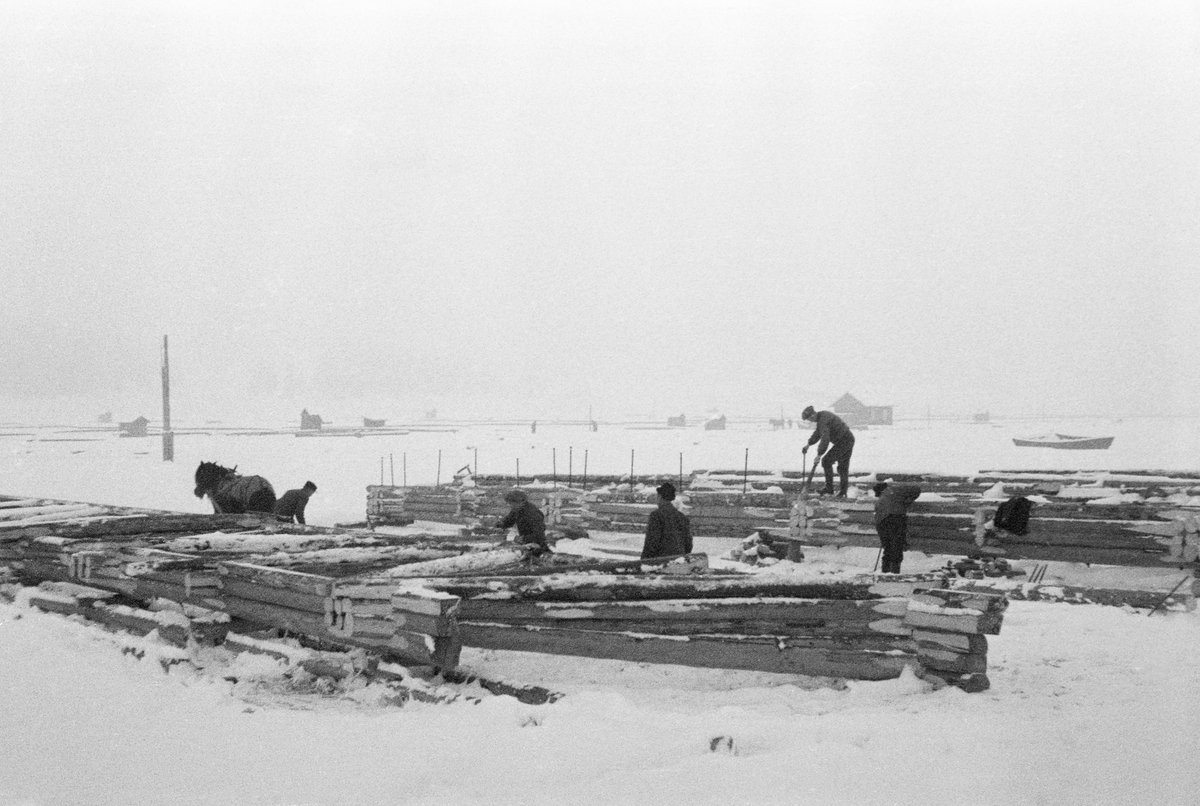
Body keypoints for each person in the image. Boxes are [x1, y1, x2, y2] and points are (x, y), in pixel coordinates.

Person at [801, 405, 856, 497]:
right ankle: (842, 491)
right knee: (842, 467)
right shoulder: (822, 417)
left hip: (844, 440)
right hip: (847, 439)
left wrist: (819, 454)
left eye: (809, 419)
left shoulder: (823, 421)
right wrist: (808, 444)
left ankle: (830, 489)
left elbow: (825, 439)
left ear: (812, 415)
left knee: (827, 461)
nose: (810, 421)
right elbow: (818, 433)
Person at [873, 481, 922, 574]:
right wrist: (910, 499)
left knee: (887, 547)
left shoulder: (881, 500)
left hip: (881, 523)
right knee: (896, 545)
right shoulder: (896, 489)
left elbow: (877, 518)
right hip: (896, 519)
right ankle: (894, 572)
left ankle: (885, 572)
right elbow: (917, 489)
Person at [641, 482, 693, 560]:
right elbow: (688, 543)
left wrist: (644, 561)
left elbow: (652, 542)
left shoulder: (656, 515)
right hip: (678, 561)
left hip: (661, 562)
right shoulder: (682, 517)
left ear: (660, 497)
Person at [497, 489, 549, 555]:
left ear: (521, 502)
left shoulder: (532, 513)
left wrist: (523, 538)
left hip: (537, 547)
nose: (510, 506)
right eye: (509, 503)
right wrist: (501, 523)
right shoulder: (517, 509)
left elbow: (539, 535)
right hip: (525, 545)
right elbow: (509, 520)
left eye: (512, 503)